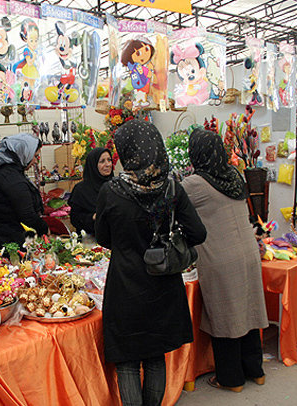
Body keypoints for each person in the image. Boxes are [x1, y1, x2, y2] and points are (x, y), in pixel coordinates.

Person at [95, 120, 206, 405]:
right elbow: (198, 233)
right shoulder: (172, 189)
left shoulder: (111, 191)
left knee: (128, 361)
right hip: (163, 283)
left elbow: (103, 238)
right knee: (156, 356)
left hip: (125, 285)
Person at [181, 128, 268, 393]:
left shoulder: (194, 184)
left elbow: (174, 210)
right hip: (248, 253)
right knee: (249, 311)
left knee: (226, 316)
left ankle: (231, 379)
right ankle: (256, 371)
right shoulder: (233, 175)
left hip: (220, 258)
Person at [0, 133, 48, 247]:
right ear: (24, 152)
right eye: (35, 156)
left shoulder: (8, 173)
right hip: (12, 243)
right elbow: (27, 215)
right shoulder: (11, 179)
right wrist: (45, 229)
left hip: (9, 238)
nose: (35, 161)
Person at [69, 147, 113, 235]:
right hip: (89, 241)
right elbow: (75, 219)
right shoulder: (81, 190)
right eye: (102, 161)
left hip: (114, 240)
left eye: (109, 160)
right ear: (93, 165)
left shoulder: (115, 186)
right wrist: (92, 217)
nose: (108, 164)